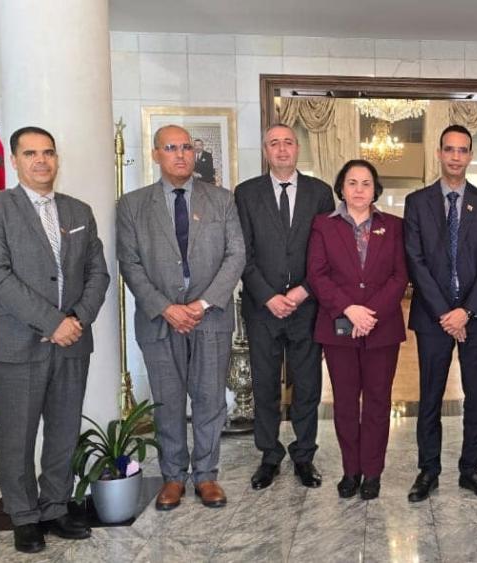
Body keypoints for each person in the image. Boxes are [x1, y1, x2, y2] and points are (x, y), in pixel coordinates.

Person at [0, 126, 109, 553]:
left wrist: (77, 319)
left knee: (64, 431)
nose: (41, 160)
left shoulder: (78, 210)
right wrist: (52, 322)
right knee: (17, 437)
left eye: (48, 152)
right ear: (14, 161)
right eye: (30, 153)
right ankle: (24, 516)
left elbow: (98, 273)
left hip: (74, 341)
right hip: (20, 344)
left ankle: (54, 507)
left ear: (56, 158)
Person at [117, 125, 245, 511]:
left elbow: (236, 255)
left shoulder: (222, 199)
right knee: (167, 401)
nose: (180, 154)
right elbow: (130, 263)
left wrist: (202, 304)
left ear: (195, 153)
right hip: (160, 320)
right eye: (171, 147)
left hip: (211, 318)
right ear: (156, 154)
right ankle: (173, 476)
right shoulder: (132, 205)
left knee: (209, 400)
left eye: (186, 147)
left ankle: (206, 475)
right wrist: (166, 307)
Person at [404, 125, 477, 502]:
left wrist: (466, 311)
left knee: (476, 395)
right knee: (430, 395)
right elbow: (415, 261)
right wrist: (447, 313)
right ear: (439, 153)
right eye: (449, 149)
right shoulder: (417, 202)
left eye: (463, 150)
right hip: (433, 317)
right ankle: (428, 470)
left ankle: (471, 469)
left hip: (475, 318)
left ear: (470, 155)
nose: (456, 156)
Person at [235, 124, 335, 491]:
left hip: (306, 306)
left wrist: (304, 291)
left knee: (307, 384)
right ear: (265, 151)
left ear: (297, 149)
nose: (281, 150)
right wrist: (268, 296)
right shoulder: (246, 193)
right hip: (262, 308)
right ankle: (269, 455)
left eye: (288, 143)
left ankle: (304, 455)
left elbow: (327, 250)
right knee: (264, 384)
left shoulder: (320, 193)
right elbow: (241, 251)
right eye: (274, 144)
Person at [307, 159, 408, 501]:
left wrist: (370, 314)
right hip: (338, 327)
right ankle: (351, 471)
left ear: (375, 189)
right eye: (352, 182)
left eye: (366, 183)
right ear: (341, 187)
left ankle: (373, 472)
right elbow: (317, 274)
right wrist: (349, 310)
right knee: (346, 403)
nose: (359, 189)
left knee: (378, 402)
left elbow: (400, 276)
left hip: (382, 328)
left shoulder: (393, 226)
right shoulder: (323, 225)